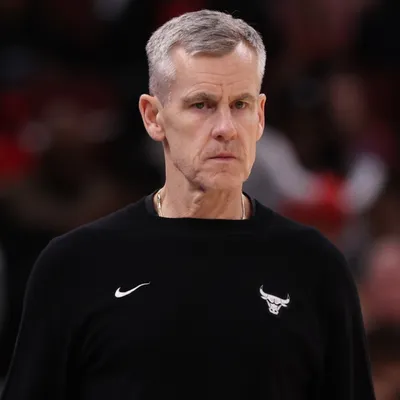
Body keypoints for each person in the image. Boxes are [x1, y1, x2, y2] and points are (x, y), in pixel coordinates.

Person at [1, 10, 376, 400]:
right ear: (153, 117)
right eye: (202, 105)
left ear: (261, 116)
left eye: (241, 104)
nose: (225, 128)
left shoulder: (315, 268)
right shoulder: (75, 266)